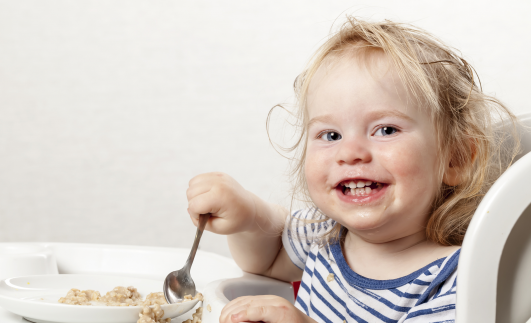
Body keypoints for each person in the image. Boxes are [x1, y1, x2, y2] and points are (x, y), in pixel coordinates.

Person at [185, 17, 520, 323]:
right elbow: (268, 259)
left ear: (455, 159)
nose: (350, 152)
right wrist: (246, 215)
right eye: (330, 135)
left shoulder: (456, 280)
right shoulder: (327, 233)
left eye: (385, 130)